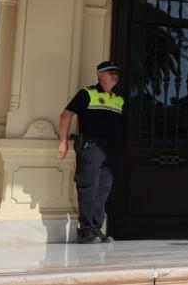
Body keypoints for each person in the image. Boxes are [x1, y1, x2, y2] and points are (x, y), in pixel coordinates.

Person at [58, 61, 124, 244]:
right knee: (88, 189)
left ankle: (96, 229)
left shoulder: (119, 99)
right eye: (110, 72)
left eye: (116, 72)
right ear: (100, 75)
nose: (115, 75)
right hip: (91, 148)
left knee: (103, 191)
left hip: (109, 150)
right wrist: (63, 142)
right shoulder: (87, 93)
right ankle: (85, 231)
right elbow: (66, 115)